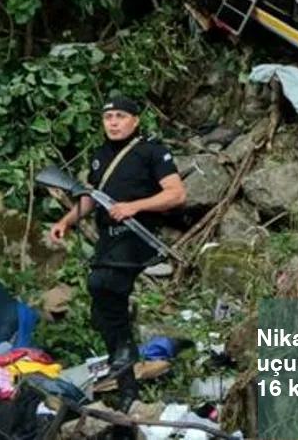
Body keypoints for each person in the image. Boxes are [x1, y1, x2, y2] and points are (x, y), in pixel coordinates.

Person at [47, 95, 186, 410]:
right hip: (109, 238)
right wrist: (66, 221)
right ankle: (127, 384)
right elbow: (92, 198)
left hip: (139, 235)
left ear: (135, 120)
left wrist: (134, 207)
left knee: (104, 285)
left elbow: (176, 194)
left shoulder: (152, 150)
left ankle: (125, 360)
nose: (113, 123)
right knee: (102, 307)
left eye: (121, 116)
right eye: (108, 117)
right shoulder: (100, 156)